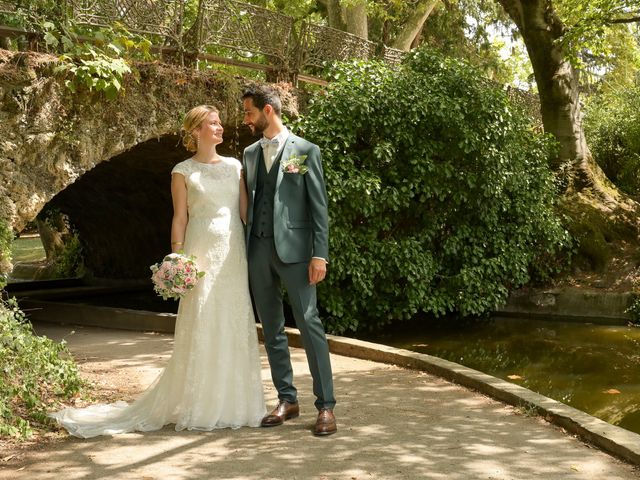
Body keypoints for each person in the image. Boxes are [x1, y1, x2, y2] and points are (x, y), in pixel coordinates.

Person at [49, 105, 266, 437]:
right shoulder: (183, 171)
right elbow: (180, 217)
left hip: (233, 252)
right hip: (201, 250)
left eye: (220, 122)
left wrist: (268, 240)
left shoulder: (235, 166)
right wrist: (177, 259)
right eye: (213, 123)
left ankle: (234, 402)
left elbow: (244, 211)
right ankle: (201, 403)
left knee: (233, 317)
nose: (220, 127)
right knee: (204, 318)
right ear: (196, 130)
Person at [241, 85, 337, 436]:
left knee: (309, 324)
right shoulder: (250, 153)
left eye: (249, 112)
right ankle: (287, 399)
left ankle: (325, 405)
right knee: (272, 328)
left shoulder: (306, 150)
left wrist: (319, 254)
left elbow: (319, 207)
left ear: (268, 111)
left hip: (297, 252)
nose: (246, 118)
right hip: (258, 250)